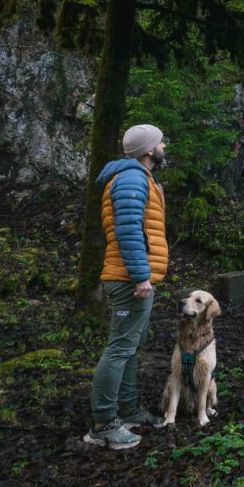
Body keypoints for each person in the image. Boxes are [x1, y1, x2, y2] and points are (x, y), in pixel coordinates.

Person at [83, 124, 169, 449]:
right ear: (148, 149)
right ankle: (103, 424)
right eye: (160, 143)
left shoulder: (141, 178)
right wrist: (141, 276)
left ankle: (129, 409)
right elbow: (128, 230)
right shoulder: (132, 178)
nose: (164, 147)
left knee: (131, 346)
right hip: (129, 279)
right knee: (120, 348)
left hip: (133, 276)